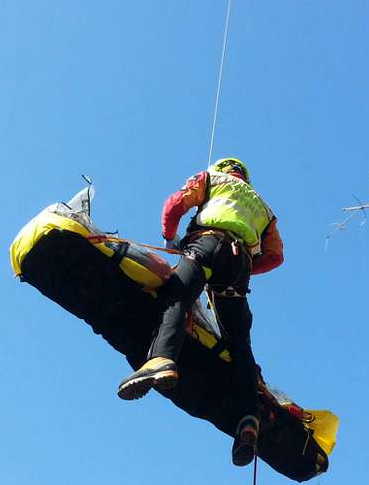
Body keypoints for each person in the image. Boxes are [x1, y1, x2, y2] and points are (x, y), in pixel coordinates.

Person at [116, 157, 283, 466]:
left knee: (176, 295)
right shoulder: (264, 208)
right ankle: (248, 419)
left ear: (222, 168)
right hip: (239, 267)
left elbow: (175, 204)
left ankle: (161, 360)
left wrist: (170, 238)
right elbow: (275, 256)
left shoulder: (213, 179)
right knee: (240, 345)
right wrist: (245, 267)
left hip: (207, 243)